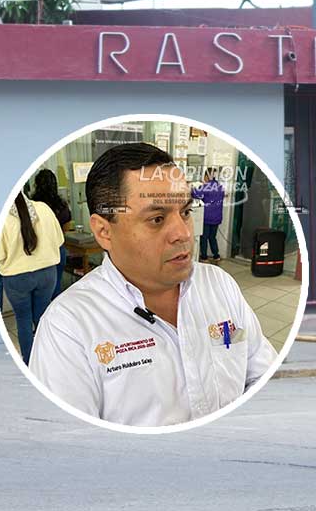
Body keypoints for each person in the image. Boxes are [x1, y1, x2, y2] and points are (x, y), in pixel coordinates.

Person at [29, 143, 276, 427]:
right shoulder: (69, 327)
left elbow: (262, 373)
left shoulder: (219, 285)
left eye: (185, 212)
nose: (183, 234)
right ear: (104, 231)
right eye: (156, 219)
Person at [0, 192, 64, 364]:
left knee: (23, 319)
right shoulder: (44, 209)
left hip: (17, 279)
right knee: (42, 318)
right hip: (47, 274)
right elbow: (59, 240)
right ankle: (48, 360)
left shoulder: (2, 219)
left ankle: (29, 362)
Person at [31, 168, 73, 298]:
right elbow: (66, 226)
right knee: (56, 287)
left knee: (40, 293)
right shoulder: (61, 204)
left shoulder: (32, 205)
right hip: (57, 249)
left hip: (39, 251)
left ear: (36, 185)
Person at [191, 168, 225, 263]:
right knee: (212, 237)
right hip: (217, 217)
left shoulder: (206, 187)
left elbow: (196, 194)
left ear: (207, 176)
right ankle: (216, 255)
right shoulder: (220, 187)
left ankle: (204, 257)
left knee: (204, 237)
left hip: (206, 217)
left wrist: (191, 187)